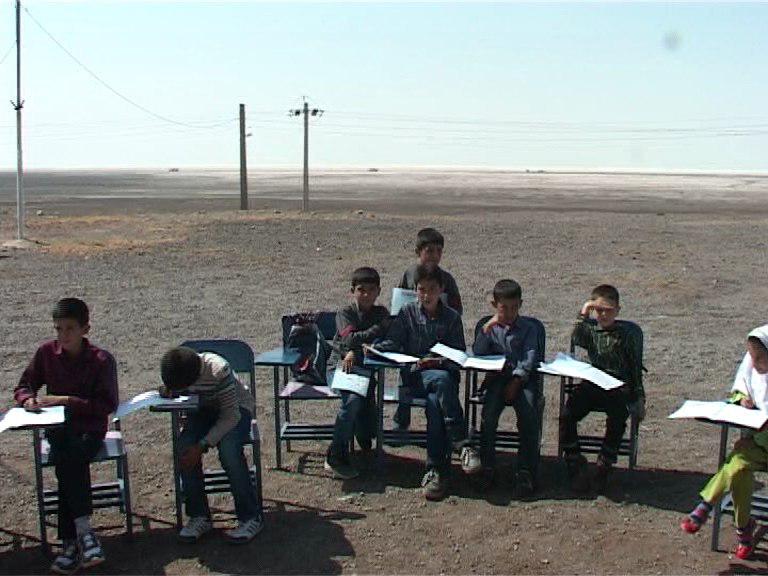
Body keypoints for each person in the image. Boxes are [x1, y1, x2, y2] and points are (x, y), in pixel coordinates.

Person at [14, 298, 118, 574]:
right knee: (67, 456)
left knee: (68, 459)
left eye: (70, 328)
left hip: (89, 431)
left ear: (85, 329)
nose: (63, 335)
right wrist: (27, 400)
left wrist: (66, 400)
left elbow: (107, 405)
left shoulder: (101, 360)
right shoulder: (46, 353)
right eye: (58, 329)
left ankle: (71, 542)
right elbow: (24, 385)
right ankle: (83, 535)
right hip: (59, 429)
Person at [376, 265, 481, 501]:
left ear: (441, 289)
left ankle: (436, 472)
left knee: (435, 402)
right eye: (421, 289)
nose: (426, 295)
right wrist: (374, 348)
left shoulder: (452, 318)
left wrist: (438, 361)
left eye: (432, 289)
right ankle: (463, 443)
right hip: (416, 377)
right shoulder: (407, 313)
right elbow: (393, 342)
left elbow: (459, 356)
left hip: (443, 380)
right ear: (415, 290)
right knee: (440, 383)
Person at [680, 326, 768, 560]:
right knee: (738, 469)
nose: (754, 363)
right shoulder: (753, 366)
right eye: (752, 357)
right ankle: (743, 528)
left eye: (760, 358)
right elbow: (740, 387)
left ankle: (708, 507)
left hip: (760, 444)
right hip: (758, 447)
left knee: (738, 461)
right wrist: (743, 399)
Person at [160, 346, 262, 544]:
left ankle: (250, 517)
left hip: (236, 410)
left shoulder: (218, 370)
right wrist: (167, 392)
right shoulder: (180, 370)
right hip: (203, 411)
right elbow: (173, 389)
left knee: (229, 449)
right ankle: (199, 515)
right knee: (184, 447)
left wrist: (202, 446)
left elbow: (231, 416)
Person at [558, 284, 645, 492]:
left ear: (617, 310)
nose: (604, 315)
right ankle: (574, 460)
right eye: (599, 310)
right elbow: (575, 337)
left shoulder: (627, 334)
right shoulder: (591, 330)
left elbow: (635, 367)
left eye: (608, 310)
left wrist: (639, 396)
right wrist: (584, 312)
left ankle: (604, 463)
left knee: (618, 416)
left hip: (618, 385)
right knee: (567, 415)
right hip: (594, 381)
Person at [473, 279, 541, 496]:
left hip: (522, 380)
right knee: (488, 415)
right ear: (495, 305)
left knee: (528, 414)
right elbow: (478, 354)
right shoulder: (490, 327)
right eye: (504, 308)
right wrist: (486, 330)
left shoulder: (529, 329)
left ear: (520, 304)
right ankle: (487, 466)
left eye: (514, 307)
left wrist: (517, 381)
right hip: (496, 379)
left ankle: (525, 470)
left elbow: (530, 358)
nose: (510, 313)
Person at [324, 267, 391, 480]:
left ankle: (363, 442)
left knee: (367, 415)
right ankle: (335, 454)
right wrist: (376, 330)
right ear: (352, 290)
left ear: (379, 291)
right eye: (361, 289)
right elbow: (349, 339)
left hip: (365, 369)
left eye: (371, 290)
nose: (366, 294)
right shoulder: (345, 313)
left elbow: (386, 340)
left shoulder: (381, 313)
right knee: (352, 401)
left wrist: (357, 347)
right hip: (340, 367)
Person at [394, 227, 463, 431]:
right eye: (429, 251)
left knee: (438, 386)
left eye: (438, 251)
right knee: (406, 369)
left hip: (439, 339)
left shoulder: (446, 279)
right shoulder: (409, 274)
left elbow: (457, 309)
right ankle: (401, 419)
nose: (434, 256)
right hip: (412, 335)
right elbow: (398, 304)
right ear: (418, 252)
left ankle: (443, 429)